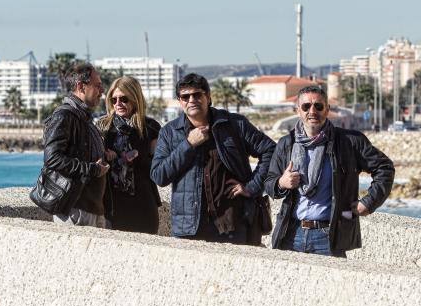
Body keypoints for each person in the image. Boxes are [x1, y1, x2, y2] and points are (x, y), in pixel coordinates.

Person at [265, 85, 394, 257]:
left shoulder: (349, 142)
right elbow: (269, 184)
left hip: (328, 236)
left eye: (318, 106)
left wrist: (368, 203)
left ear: (327, 110)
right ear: (298, 111)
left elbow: (384, 168)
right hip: (291, 233)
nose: (312, 111)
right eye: (306, 106)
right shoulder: (286, 143)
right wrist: (281, 182)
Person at [151, 73, 275, 244]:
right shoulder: (169, 132)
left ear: (208, 97)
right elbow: (159, 176)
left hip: (234, 223)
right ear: (180, 102)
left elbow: (270, 151)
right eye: (185, 97)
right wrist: (188, 144)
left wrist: (252, 187)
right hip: (189, 228)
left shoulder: (234, 124)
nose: (191, 100)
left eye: (197, 94)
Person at [42, 62, 110, 227]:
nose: (102, 91)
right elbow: (52, 159)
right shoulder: (64, 116)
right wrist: (91, 169)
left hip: (91, 209)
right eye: (98, 86)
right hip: (76, 211)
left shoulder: (84, 117)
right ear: (81, 86)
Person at [98, 76, 162, 234]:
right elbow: (94, 160)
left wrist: (138, 157)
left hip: (143, 205)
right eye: (114, 100)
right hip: (112, 205)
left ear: (135, 98)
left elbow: (158, 168)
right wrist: (106, 156)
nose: (118, 104)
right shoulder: (103, 126)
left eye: (124, 99)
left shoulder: (150, 127)